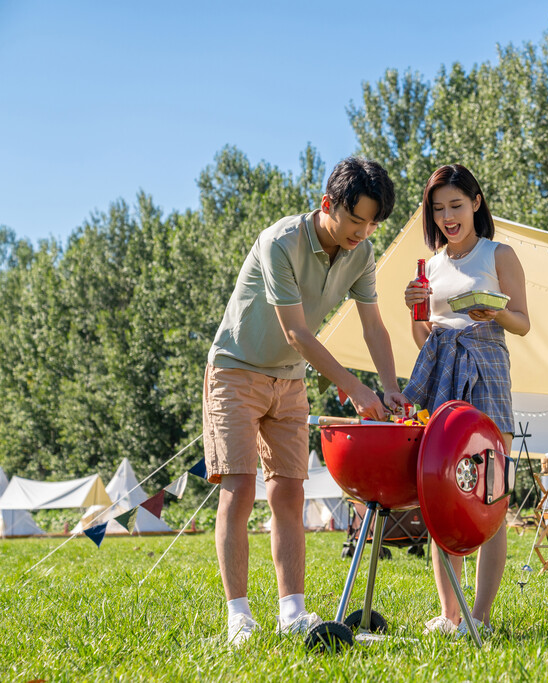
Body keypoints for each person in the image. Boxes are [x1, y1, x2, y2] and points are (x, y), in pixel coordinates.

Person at [203, 157, 407, 646]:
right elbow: (295, 330)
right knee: (239, 485)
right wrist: (355, 391)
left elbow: (373, 326)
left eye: (374, 221)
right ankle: (239, 619)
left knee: (290, 491)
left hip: (289, 380)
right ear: (327, 205)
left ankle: (292, 612)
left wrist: (387, 385)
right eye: (356, 219)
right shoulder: (280, 242)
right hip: (236, 369)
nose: (364, 230)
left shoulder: (362, 253)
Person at [403, 164, 530, 638]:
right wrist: (415, 307)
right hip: (444, 374)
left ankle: (481, 616)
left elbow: (522, 322)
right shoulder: (431, 266)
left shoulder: (500, 254)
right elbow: (425, 342)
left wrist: (493, 309)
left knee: (488, 496)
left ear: (476, 202)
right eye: (438, 210)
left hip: (489, 370)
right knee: (442, 496)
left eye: (456, 205)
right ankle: (449, 613)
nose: (448, 218)